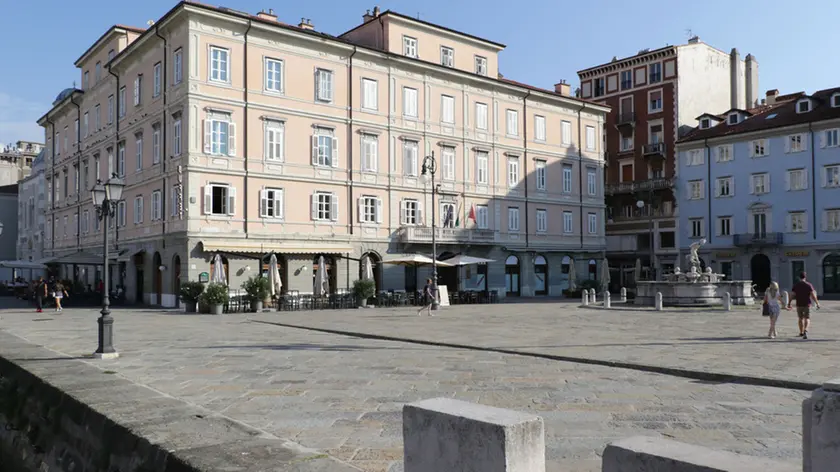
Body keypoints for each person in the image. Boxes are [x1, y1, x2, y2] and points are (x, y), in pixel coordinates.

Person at [788, 272, 820, 339]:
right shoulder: (809, 285)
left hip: (799, 304)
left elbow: (792, 295)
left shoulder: (796, 285)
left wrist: (789, 303)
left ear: (799, 277)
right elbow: (813, 295)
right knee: (807, 318)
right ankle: (806, 330)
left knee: (800, 318)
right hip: (807, 304)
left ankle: (801, 332)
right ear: (805, 277)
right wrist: (817, 303)